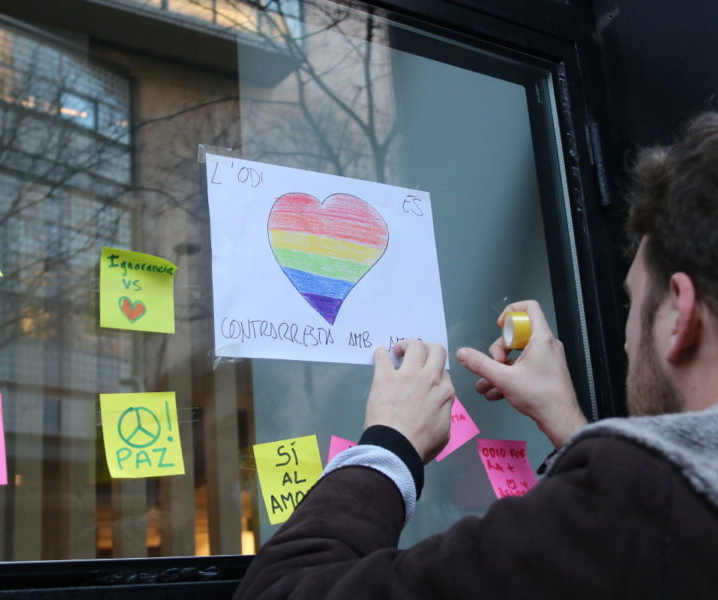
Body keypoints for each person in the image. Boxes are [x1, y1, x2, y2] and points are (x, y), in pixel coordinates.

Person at [234, 112, 718, 599]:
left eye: (634, 303)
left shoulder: (638, 508)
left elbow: (277, 591)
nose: (627, 340)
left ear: (680, 313)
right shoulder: (656, 513)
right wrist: (567, 424)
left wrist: (388, 445)